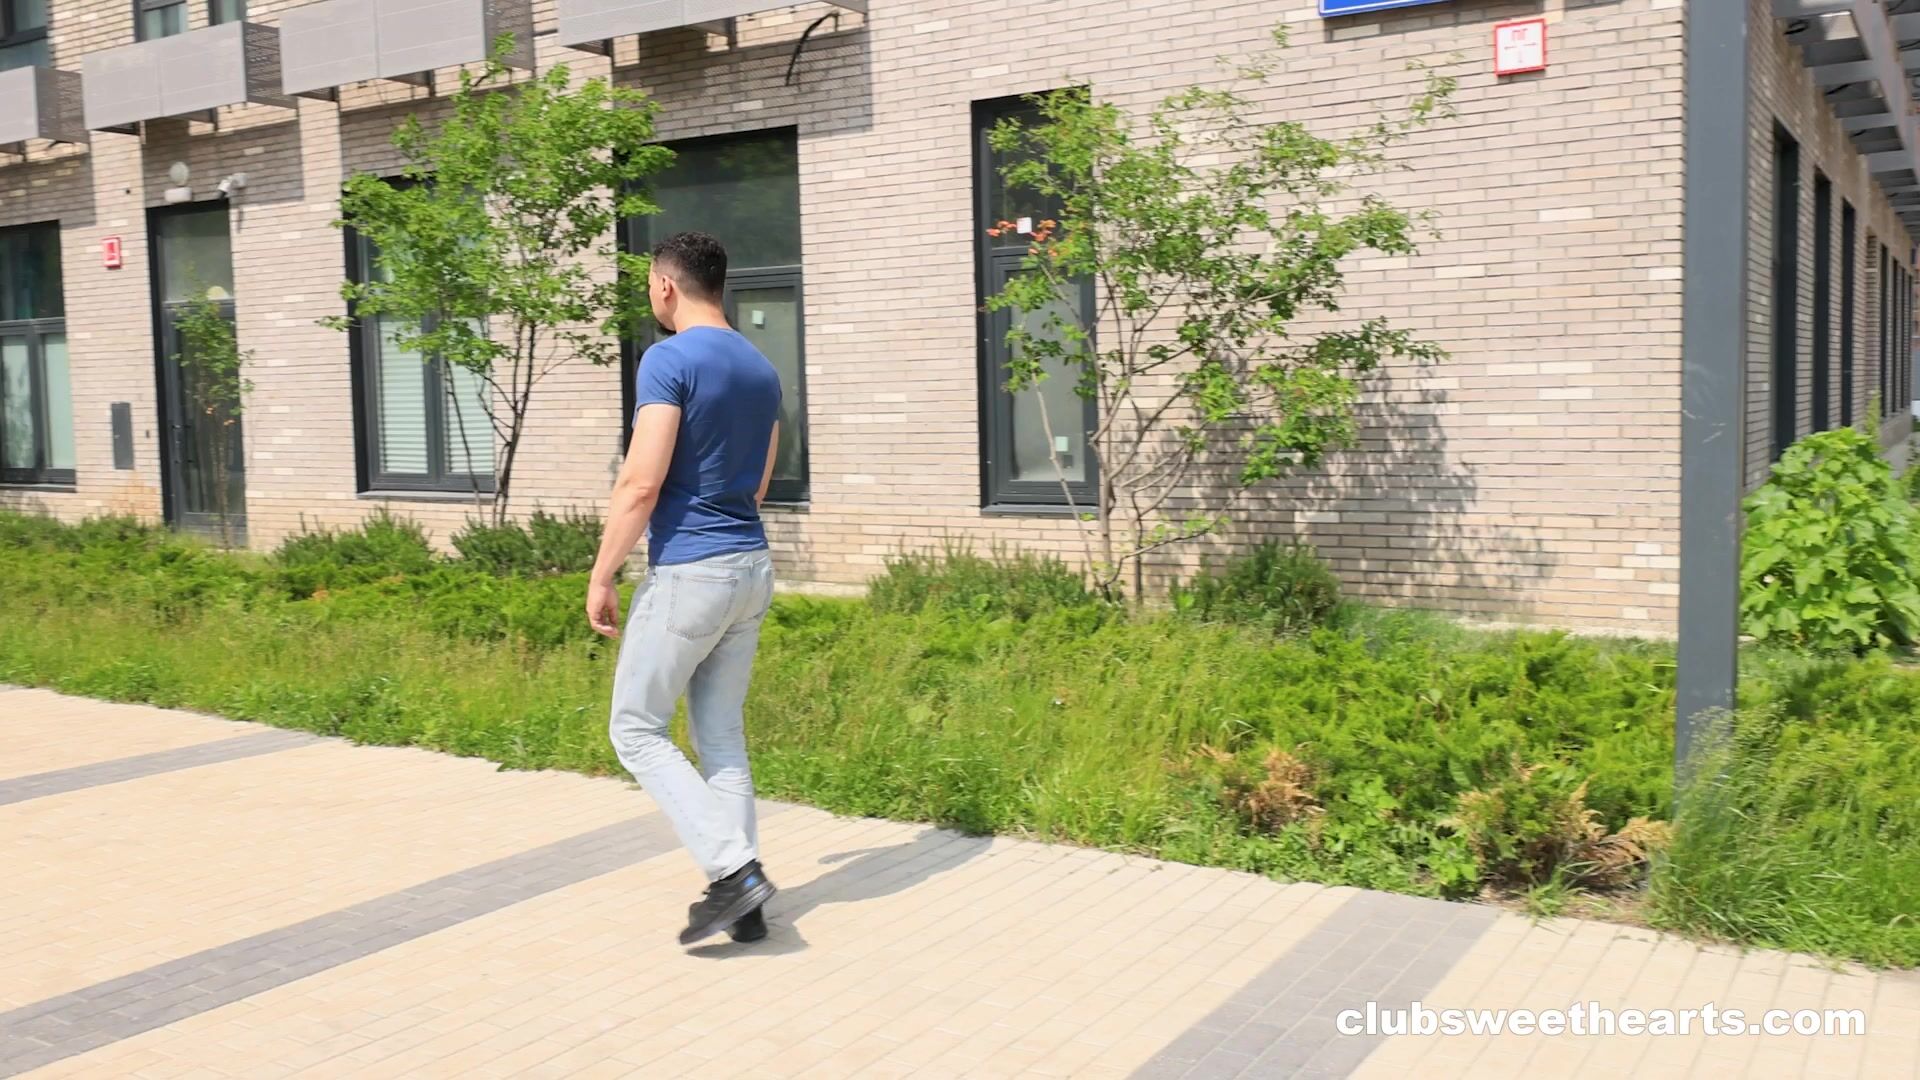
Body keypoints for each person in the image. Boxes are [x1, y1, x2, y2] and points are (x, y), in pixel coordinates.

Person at [587, 230, 782, 946]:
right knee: (720, 734)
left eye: (649, 283)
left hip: (692, 570)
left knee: (635, 728)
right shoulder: (762, 367)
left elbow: (641, 482)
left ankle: (734, 874)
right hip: (751, 567)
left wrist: (602, 572)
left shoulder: (668, 359)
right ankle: (746, 906)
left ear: (666, 286)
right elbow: (758, 486)